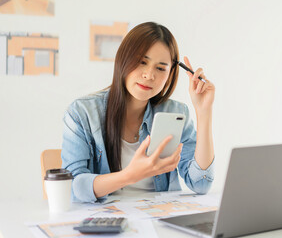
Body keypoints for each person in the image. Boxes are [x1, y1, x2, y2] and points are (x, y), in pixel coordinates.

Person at [61, 22, 215, 203]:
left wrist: (203, 112)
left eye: (160, 68)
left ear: (170, 74)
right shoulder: (82, 113)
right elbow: (72, 186)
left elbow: (201, 184)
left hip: (158, 219)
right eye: (142, 62)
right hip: (108, 223)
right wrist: (129, 176)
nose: (149, 75)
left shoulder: (175, 113)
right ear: (123, 59)